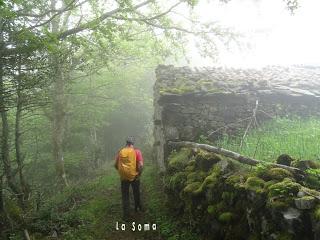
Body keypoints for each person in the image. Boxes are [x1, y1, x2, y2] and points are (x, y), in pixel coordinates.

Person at [114, 136, 144, 221]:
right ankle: (137, 208)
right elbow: (141, 165)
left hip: (123, 177)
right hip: (134, 176)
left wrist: (122, 172)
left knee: (125, 195)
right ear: (133, 144)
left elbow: (116, 165)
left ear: (126, 143)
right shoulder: (137, 151)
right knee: (136, 192)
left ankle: (126, 215)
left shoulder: (120, 152)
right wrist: (139, 174)